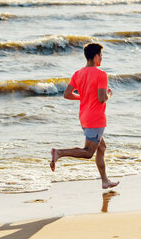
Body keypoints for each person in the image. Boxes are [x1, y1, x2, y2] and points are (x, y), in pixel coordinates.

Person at [50, 43, 119, 189]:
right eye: (101, 55)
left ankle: (105, 181)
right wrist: (109, 94)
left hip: (84, 117)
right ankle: (59, 153)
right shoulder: (101, 74)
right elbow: (102, 98)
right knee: (88, 152)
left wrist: (83, 97)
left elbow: (67, 94)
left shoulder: (78, 73)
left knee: (102, 147)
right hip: (96, 119)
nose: (102, 58)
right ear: (95, 57)